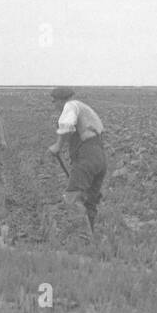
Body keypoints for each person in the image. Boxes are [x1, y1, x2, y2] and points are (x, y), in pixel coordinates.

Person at [47, 87, 106, 237]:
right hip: (99, 157)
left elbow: (67, 126)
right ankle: (90, 237)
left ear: (61, 100)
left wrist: (57, 146)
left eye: (54, 101)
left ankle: (81, 240)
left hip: (86, 158)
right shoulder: (83, 108)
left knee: (72, 199)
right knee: (90, 201)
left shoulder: (70, 106)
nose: (54, 105)